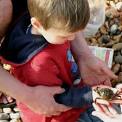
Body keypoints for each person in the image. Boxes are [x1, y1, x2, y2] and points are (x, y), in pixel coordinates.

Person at [0, 0, 121, 122]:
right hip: (58, 115)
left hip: (73, 90)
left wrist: (84, 55)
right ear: (37, 24)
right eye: (65, 36)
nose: (72, 38)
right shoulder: (37, 64)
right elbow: (55, 98)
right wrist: (95, 94)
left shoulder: (52, 28)